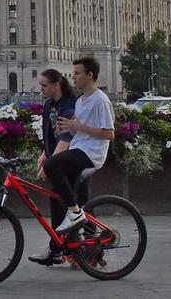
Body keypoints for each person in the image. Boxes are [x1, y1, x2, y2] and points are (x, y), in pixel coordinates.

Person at [31, 56, 114, 262]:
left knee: (54, 167)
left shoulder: (100, 100)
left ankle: (76, 215)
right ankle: (59, 247)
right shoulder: (81, 101)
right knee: (57, 195)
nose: (73, 77)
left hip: (91, 153)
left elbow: (109, 133)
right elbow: (75, 131)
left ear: (90, 75)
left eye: (77, 73)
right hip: (79, 148)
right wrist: (69, 129)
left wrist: (78, 127)